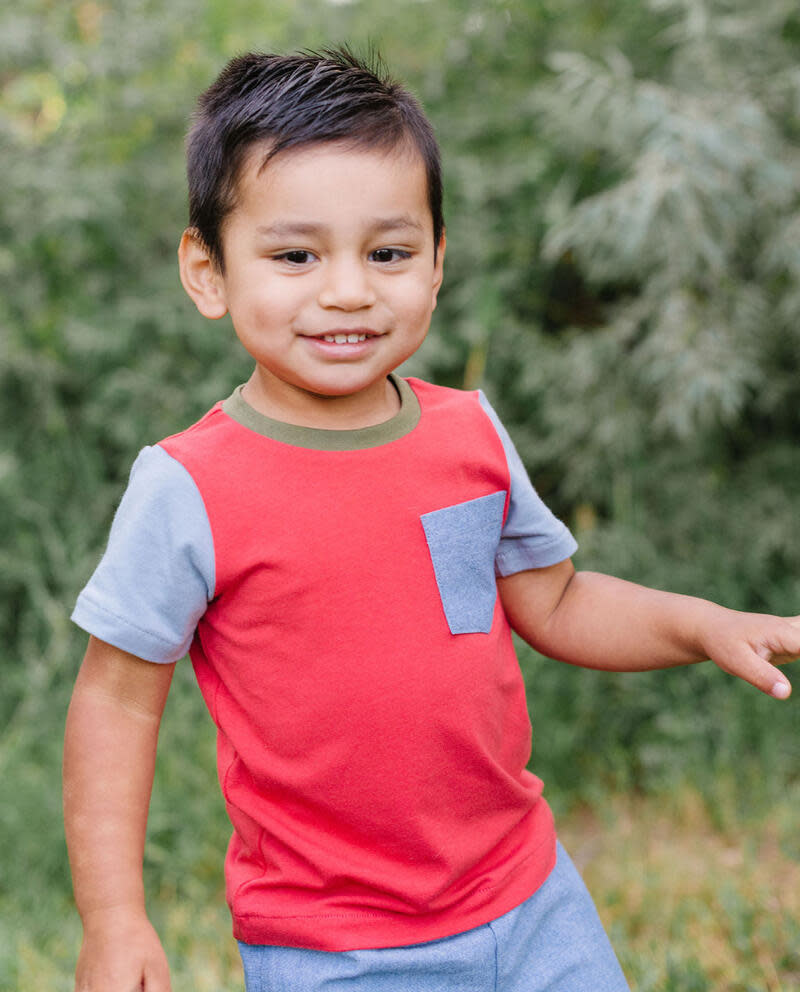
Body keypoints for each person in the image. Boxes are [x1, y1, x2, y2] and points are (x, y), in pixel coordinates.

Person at [63, 48, 800, 992]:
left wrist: (704, 624)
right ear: (206, 271)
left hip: (533, 905)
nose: (347, 291)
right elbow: (118, 701)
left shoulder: (469, 434)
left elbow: (559, 603)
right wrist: (115, 917)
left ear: (439, 263)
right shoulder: (188, 486)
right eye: (295, 255)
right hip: (337, 950)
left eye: (389, 253)